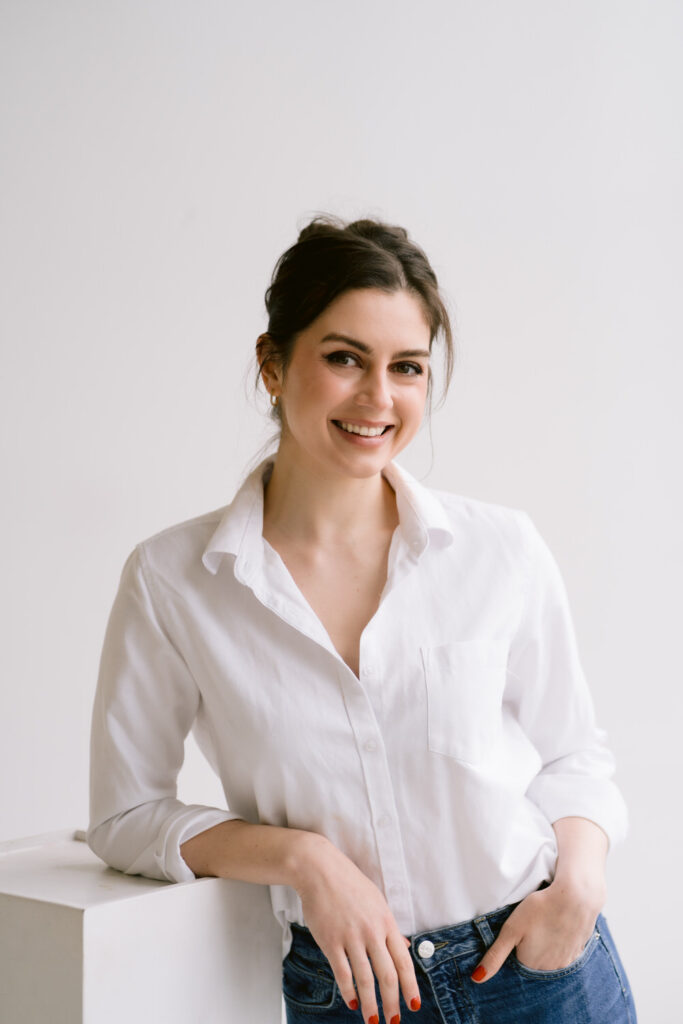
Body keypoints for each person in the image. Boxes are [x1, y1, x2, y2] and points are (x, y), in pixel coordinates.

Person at [86, 215, 638, 1024]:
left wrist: (579, 886)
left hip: (538, 970)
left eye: (406, 367)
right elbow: (125, 817)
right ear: (272, 366)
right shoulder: (174, 580)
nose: (378, 398)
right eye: (344, 358)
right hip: (351, 994)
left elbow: (574, 754)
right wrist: (302, 859)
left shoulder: (498, 549)